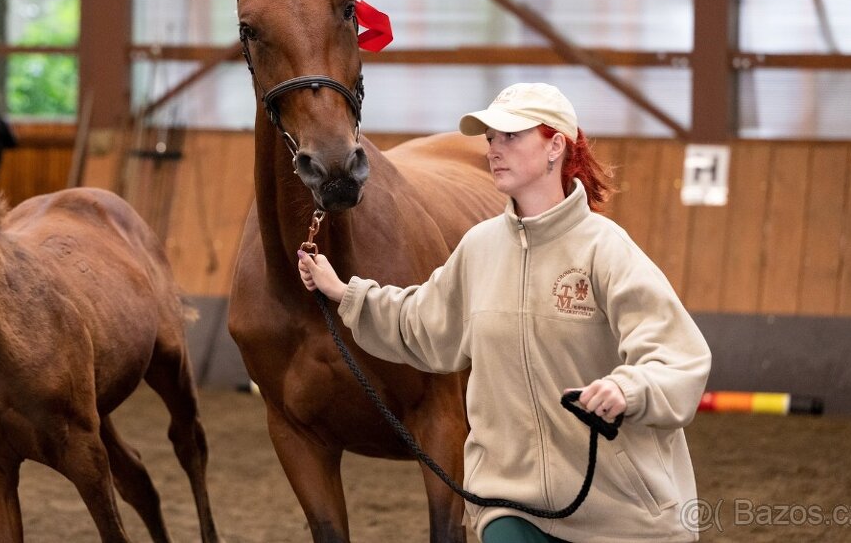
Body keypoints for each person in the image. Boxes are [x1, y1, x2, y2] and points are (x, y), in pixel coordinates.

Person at [298, 83, 712, 543]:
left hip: (621, 514)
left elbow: (680, 358)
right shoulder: (479, 248)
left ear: (556, 146)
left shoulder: (606, 250)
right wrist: (346, 294)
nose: (494, 148)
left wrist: (628, 387)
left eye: (511, 137)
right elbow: (423, 322)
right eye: (492, 138)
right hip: (510, 504)